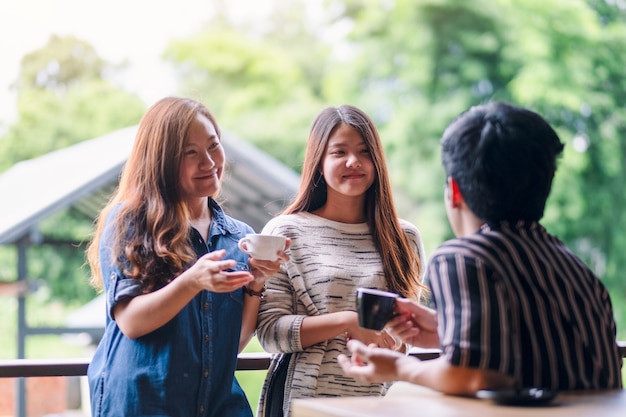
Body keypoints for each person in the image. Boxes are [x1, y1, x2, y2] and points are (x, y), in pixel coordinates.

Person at [338, 101, 623, 394]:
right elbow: (547, 352)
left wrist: (398, 368)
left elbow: (475, 376)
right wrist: (445, 328)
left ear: (455, 190)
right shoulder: (573, 266)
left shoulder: (462, 258)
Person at [85, 97, 289, 417]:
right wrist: (192, 280)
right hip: (143, 403)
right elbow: (131, 322)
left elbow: (229, 346)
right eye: (189, 152)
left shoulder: (239, 237)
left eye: (213, 145)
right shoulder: (131, 221)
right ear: (161, 161)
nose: (208, 161)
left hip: (215, 402)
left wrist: (257, 282)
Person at [255, 104, 427, 416]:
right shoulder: (286, 231)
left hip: (375, 403)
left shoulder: (405, 238)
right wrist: (350, 321)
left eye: (364, 152)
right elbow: (269, 333)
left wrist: (394, 341)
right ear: (318, 162)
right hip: (302, 402)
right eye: (339, 152)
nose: (354, 162)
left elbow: (404, 339)